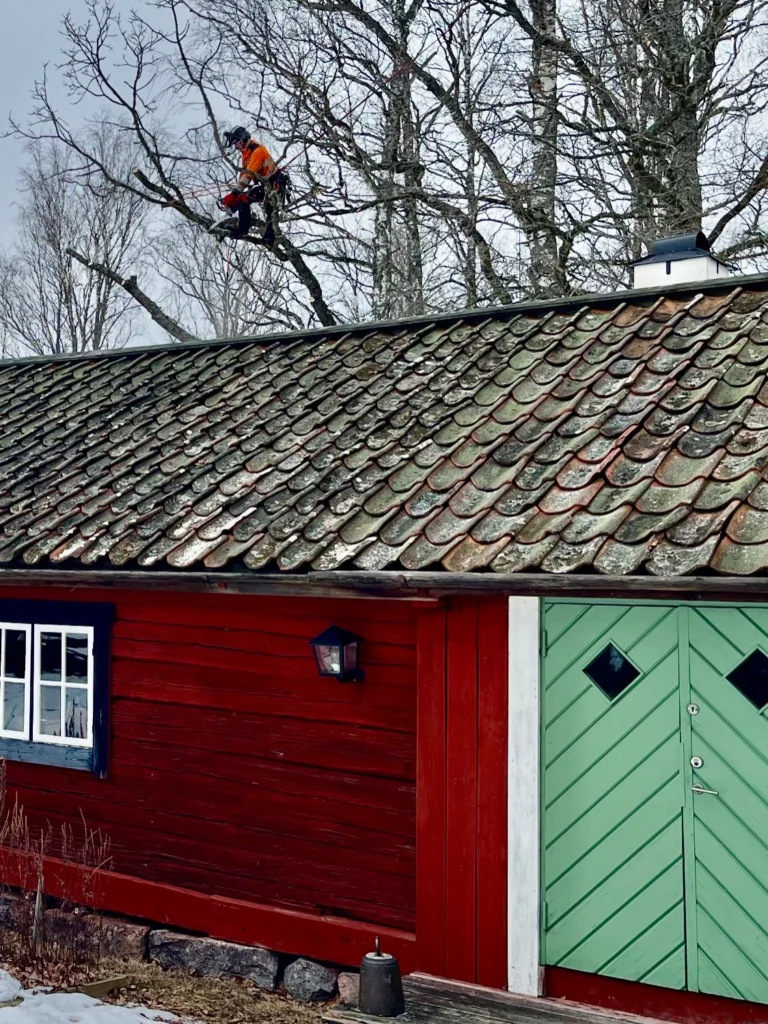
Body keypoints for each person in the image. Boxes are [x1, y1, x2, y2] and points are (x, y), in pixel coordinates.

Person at [220, 127, 286, 247]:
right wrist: (235, 195)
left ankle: (269, 241)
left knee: (271, 213)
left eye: (236, 143)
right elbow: (243, 175)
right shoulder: (246, 154)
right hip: (264, 185)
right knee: (243, 199)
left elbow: (248, 176)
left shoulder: (257, 151)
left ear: (242, 140)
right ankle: (243, 230)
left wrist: (233, 194)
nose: (235, 147)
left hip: (274, 185)